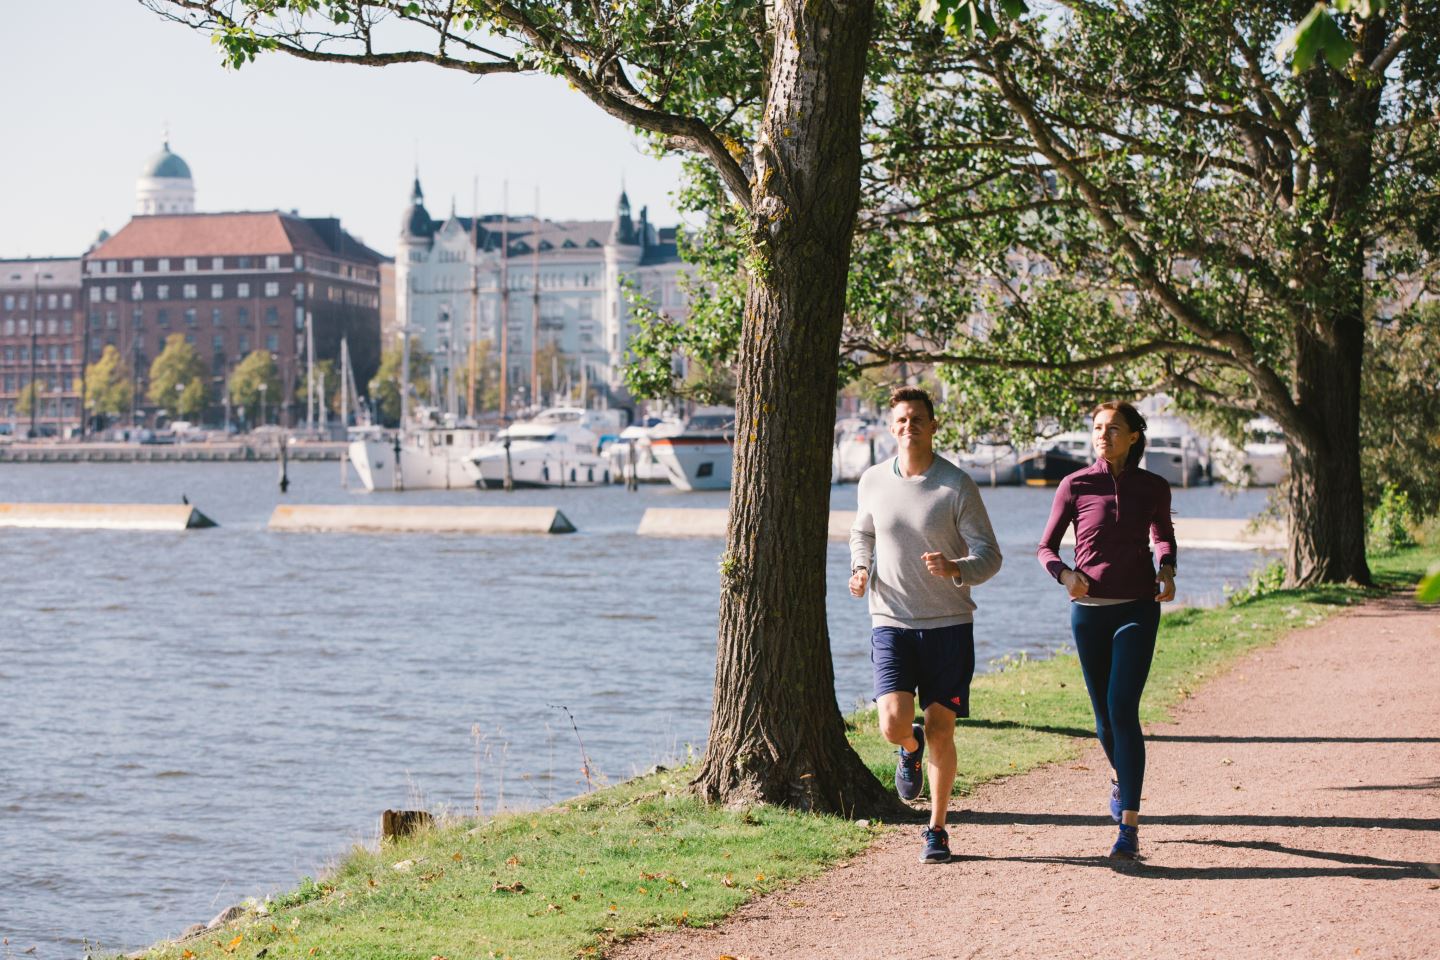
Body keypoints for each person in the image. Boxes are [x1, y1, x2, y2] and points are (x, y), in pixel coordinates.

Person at [850, 386, 1003, 864]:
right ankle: (908, 749)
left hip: (949, 623)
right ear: (891, 428)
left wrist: (957, 567)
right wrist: (860, 567)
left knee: (942, 728)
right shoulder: (873, 480)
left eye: (917, 418)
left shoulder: (956, 484)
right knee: (893, 723)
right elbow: (863, 531)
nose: (908, 426)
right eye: (900, 420)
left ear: (933, 426)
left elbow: (990, 556)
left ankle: (936, 829)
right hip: (890, 618)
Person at [1036, 401, 1177, 860]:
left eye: (1113, 428)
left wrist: (1167, 568)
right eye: (1098, 428)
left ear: (1134, 435)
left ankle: (1130, 827)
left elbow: (1163, 535)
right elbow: (1045, 547)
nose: (1104, 435)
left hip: (1138, 607)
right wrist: (1064, 574)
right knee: (1102, 722)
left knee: (1122, 709)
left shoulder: (1153, 486)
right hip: (1089, 612)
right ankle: (1123, 779)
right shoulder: (1075, 484)